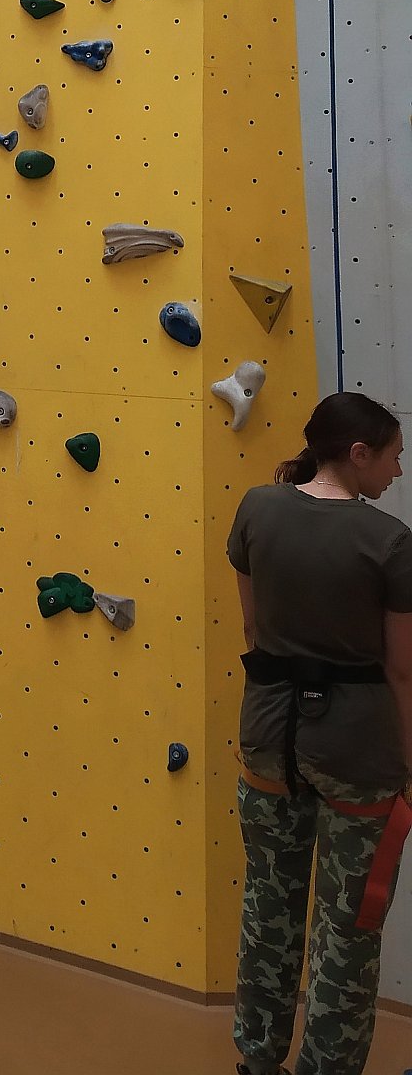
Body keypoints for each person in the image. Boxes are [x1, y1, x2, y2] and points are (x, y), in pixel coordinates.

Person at [229, 391, 412, 1075]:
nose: (398, 470)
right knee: (349, 926)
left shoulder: (257, 508)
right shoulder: (389, 542)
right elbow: (401, 671)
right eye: (393, 456)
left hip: (268, 735)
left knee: (267, 906)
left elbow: (254, 629)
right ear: (358, 453)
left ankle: (257, 1059)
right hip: (357, 751)